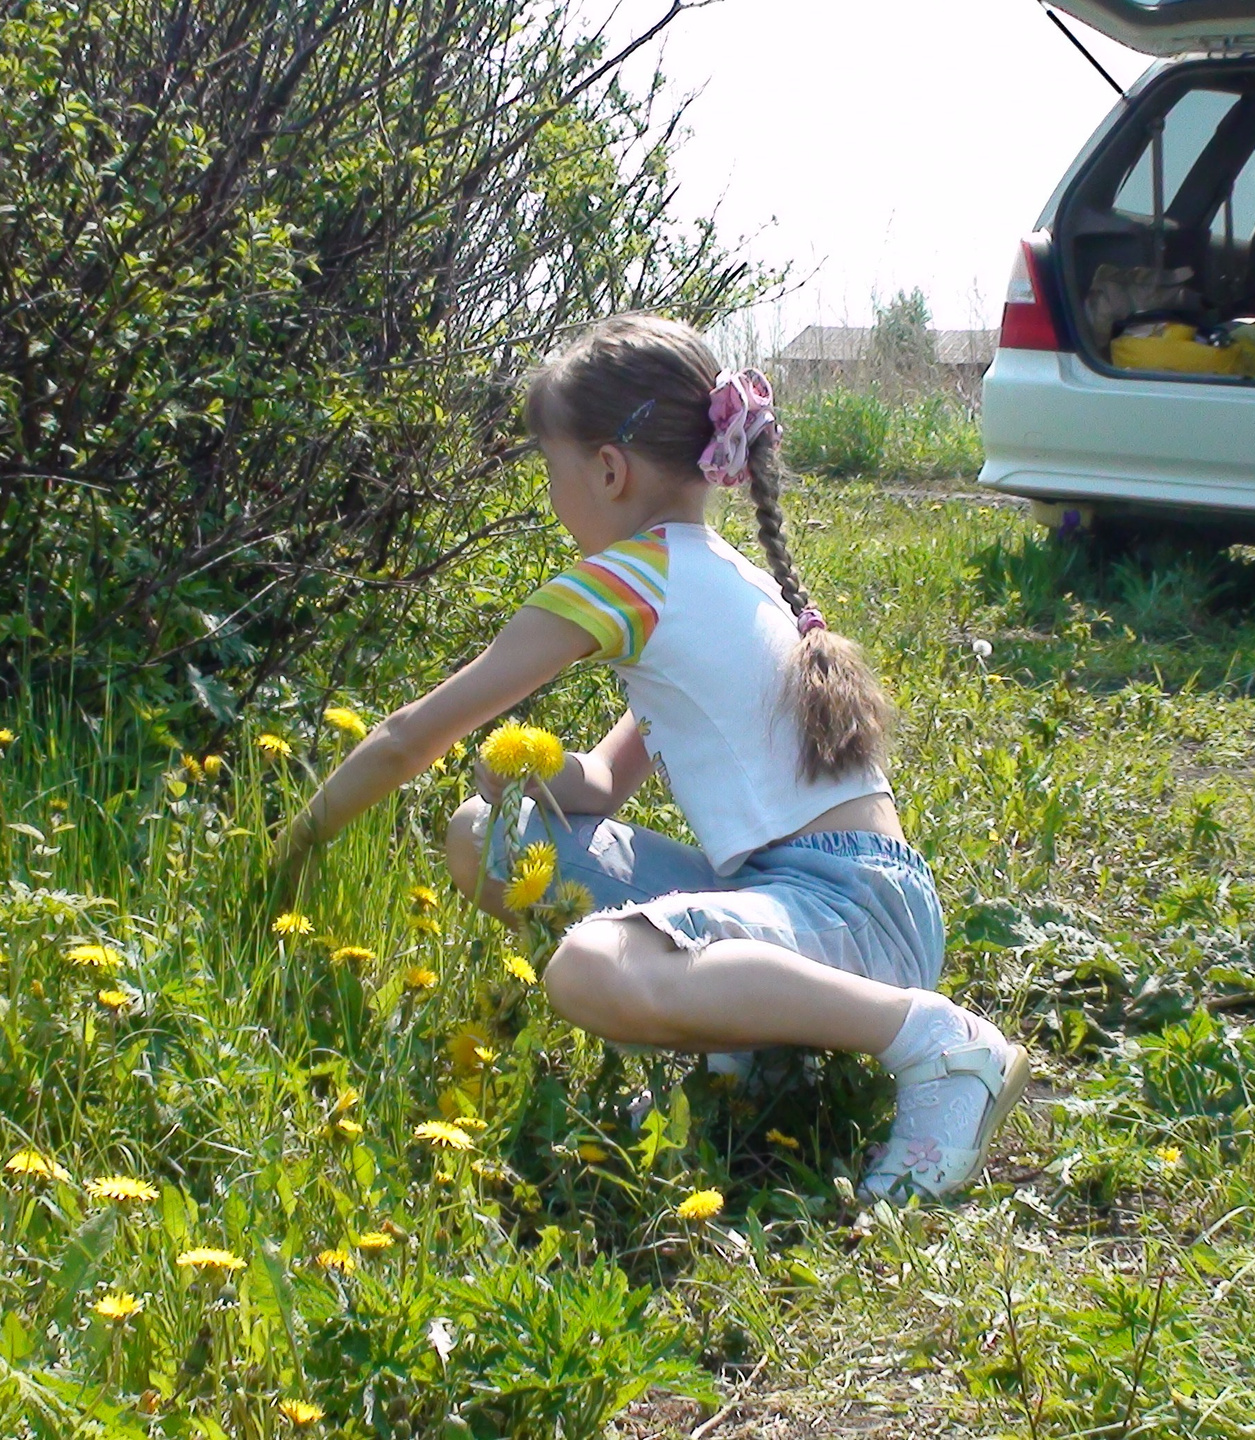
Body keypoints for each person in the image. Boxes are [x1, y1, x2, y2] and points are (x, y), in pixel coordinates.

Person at [272, 314, 1025, 1201]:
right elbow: (600, 782)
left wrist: (287, 853)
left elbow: (407, 737)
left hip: (845, 912)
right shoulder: (716, 575)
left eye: (551, 471)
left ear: (607, 469)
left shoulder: (627, 579)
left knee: (590, 966)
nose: (554, 497)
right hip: (846, 898)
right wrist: (528, 772)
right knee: (490, 834)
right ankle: (743, 1067)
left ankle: (938, 1045)